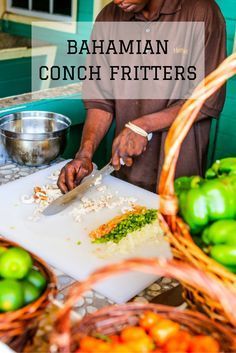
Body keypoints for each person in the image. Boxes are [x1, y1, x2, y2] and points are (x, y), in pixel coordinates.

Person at [57, 0, 226, 194]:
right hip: (124, 172)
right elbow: (101, 100)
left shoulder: (201, 11)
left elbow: (206, 97)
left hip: (179, 176)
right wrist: (84, 154)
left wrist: (143, 125)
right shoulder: (108, 18)